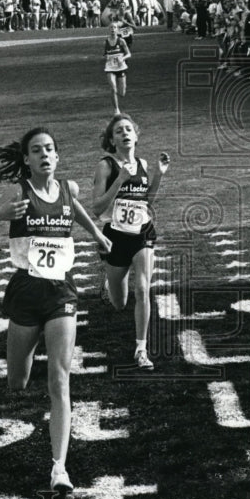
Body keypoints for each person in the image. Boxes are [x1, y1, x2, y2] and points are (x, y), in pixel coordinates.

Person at [0, 127, 112, 493]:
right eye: (37, 150)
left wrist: (97, 234)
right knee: (18, 381)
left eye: (49, 149)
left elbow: (74, 208)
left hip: (61, 291)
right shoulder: (17, 194)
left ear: (57, 156)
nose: (44, 154)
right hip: (25, 291)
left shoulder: (68, 188)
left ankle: (59, 469)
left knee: (60, 379)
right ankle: (21, 371)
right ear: (27, 159)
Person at [92, 114, 170, 369]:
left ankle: (141, 349)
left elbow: (147, 203)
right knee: (119, 302)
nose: (124, 133)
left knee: (143, 288)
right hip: (115, 238)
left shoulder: (144, 164)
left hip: (142, 234)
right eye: (118, 131)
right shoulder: (106, 166)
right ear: (112, 140)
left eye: (128, 129)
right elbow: (97, 208)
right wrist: (120, 180)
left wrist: (158, 175)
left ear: (136, 135)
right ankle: (109, 281)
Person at [102, 21, 132, 114]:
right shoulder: (105, 42)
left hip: (121, 67)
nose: (112, 29)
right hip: (110, 68)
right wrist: (106, 57)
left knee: (122, 93)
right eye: (111, 27)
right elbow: (104, 54)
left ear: (117, 30)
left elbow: (129, 54)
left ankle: (116, 96)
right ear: (108, 30)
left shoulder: (121, 41)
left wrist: (122, 58)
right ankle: (116, 109)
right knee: (113, 88)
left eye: (114, 27)